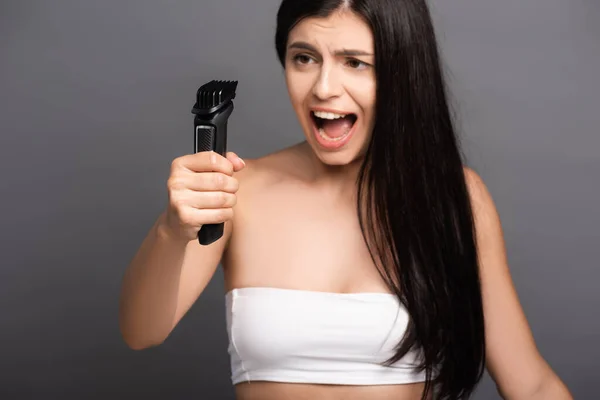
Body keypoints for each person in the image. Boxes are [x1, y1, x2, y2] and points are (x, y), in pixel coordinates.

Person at [118, 0, 573, 399]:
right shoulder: (237, 190)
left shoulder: (456, 201)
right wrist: (171, 230)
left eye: (355, 62)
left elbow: (530, 385)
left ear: (402, 72)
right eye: (304, 58)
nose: (323, 88)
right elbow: (140, 332)